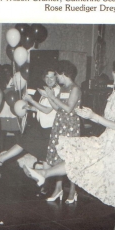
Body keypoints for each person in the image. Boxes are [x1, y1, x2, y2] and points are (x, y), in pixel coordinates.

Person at [24, 58, 115, 230]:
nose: (112, 75)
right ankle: (45, 173)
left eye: (113, 72)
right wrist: (89, 115)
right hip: (106, 139)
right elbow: (108, 122)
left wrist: (92, 116)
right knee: (78, 156)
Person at [0, 68, 60, 183]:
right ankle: (1, 159)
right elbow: (42, 108)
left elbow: (47, 110)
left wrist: (31, 100)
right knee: (25, 142)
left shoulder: (56, 90)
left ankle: (47, 185)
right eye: (47, 77)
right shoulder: (47, 90)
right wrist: (31, 108)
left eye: (52, 77)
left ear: (56, 78)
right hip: (42, 126)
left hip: (50, 129)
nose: (49, 80)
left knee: (44, 158)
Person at [38, 60, 82, 203]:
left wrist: (51, 96)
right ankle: (58, 189)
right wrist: (48, 96)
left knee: (69, 159)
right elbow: (58, 108)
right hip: (59, 124)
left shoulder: (75, 88)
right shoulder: (63, 88)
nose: (57, 78)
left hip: (70, 125)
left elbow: (69, 108)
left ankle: (73, 190)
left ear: (64, 74)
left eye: (57, 75)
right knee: (58, 157)